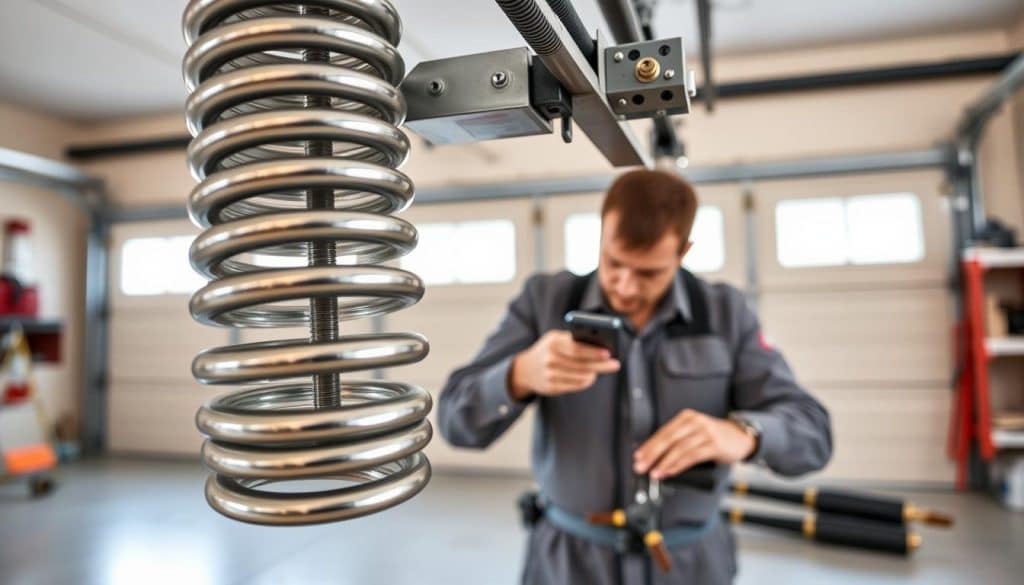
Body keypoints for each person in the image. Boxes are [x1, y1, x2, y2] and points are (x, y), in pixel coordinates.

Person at [437, 169, 832, 584]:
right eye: (613, 262)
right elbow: (454, 421)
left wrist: (745, 435)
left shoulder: (724, 314)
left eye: (648, 273)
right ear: (600, 237)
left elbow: (813, 433)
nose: (624, 286)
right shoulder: (545, 302)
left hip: (690, 566)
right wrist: (516, 376)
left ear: (683, 251)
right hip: (569, 566)